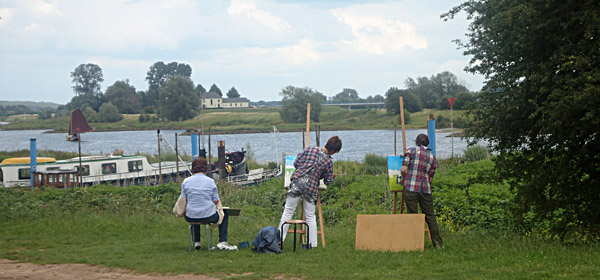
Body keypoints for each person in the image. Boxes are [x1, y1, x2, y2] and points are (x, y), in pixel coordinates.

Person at [278, 136, 342, 249]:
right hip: (311, 188)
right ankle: (312, 244)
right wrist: (332, 177)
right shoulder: (328, 161)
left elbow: (296, 163)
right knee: (310, 216)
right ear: (333, 151)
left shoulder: (310, 149)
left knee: (288, 211)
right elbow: (327, 181)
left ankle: (278, 240)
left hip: (297, 183)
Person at [181, 157, 237, 250]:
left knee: (195, 214)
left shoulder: (186, 181)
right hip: (208, 216)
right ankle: (222, 241)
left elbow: (184, 199)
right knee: (225, 214)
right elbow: (215, 201)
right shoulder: (210, 182)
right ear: (206, 168)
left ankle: (196, 242)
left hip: (190, 216)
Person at [401, 134, 444, 248]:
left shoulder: (410, 151)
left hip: (410, 187)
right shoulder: (431, 156)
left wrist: (402, 179)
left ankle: (414, 244)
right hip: (425, 188)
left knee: (412, 215)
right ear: (427, 143)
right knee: (430, 216)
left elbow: (404, 169)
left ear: (416, 142)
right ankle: (437, 243)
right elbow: (431, 178)